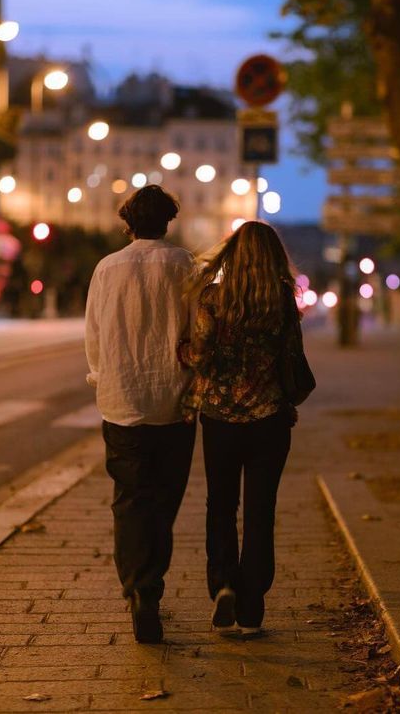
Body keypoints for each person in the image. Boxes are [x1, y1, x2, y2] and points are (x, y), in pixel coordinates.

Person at [179, 220, 306, 635]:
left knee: (220, 505)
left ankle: (223, 586)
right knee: (260, 511)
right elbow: (292, 357)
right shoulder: (283, 300)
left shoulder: (214, 299)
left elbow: (201, 357)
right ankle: (252, 605)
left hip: (220, 420)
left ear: (233, 254)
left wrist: (182, 350)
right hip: (270, 421)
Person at [85, 184, 196, 644]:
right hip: (173, 402)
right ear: (168, 221)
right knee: (165, 502)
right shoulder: (184, 264)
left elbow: (94, 334)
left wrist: (101, 376)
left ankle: (139, 591)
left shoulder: (107, 268)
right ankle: (153, 583)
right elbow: (197, 329)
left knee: (130, 499)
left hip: (122, 400)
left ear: (128, 223)